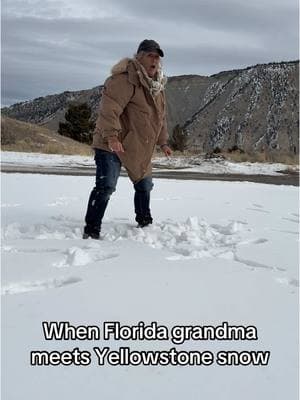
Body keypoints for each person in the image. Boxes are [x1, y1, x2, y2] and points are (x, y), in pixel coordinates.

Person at [83, 39, 172, 239]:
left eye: (157, 57)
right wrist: (112, 137)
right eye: (150, 55)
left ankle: (144, 222)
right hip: (110, 143)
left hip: (137, 145)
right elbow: (109, 110)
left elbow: (160, 118)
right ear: (139, 56)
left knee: (144, 185)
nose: (154, 60)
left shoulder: (157, 87)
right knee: (106, 186)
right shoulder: (124, 80)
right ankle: (91, 229)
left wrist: (163, 142)